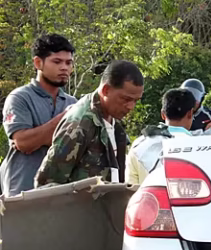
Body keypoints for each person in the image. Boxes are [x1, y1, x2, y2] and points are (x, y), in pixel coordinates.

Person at [36, 60, 144, 186]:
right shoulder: (80, 124)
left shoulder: (113, 122)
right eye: (126, 99)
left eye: (135, 101)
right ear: (106, 90)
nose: (131, 106)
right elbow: (46, 185)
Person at [0, 34, 77, 196]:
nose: (64, 68)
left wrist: (40, 138)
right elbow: (23, 142)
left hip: (62, 193)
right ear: (38, 63)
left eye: (68, 63)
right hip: (23, 191)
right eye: (57, 62)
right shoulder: (20, 98)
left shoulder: (72, 103)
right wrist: (63, 121)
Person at [126, 88, 197, 185]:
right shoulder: (197, 147)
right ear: (190, 113)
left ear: (163, 114)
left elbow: (130, 188)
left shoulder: (138, 144)